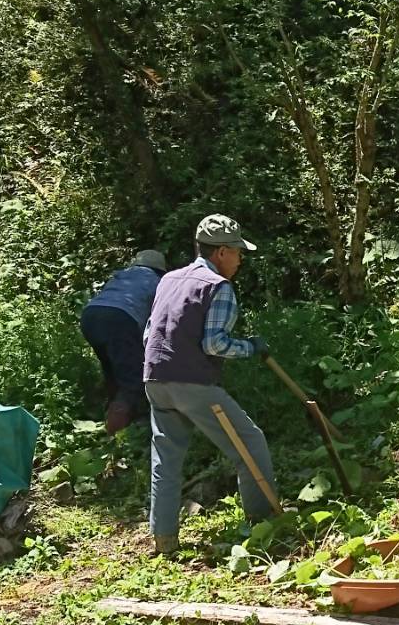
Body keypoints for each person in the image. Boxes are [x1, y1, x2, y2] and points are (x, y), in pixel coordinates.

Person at [143, 214, 278, 555]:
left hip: (154, 379)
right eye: (237, 252)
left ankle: (164, 539)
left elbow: (149, 332)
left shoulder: (170, 279)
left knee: (166, 459)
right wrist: (250, 347)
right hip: (193, 383)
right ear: (220, 252)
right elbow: (214, 344)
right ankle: (265, 525)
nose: (240, 259)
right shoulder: (218, 286)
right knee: (250, 444)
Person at [81, 249, 167, 435]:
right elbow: (158, 319)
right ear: (160, 269)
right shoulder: (158, 282)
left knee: (112, 368)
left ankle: (112, 412)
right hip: (120, 318)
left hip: (90, 315)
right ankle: (115, 431)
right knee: (132, 376)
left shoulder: (121, 275)